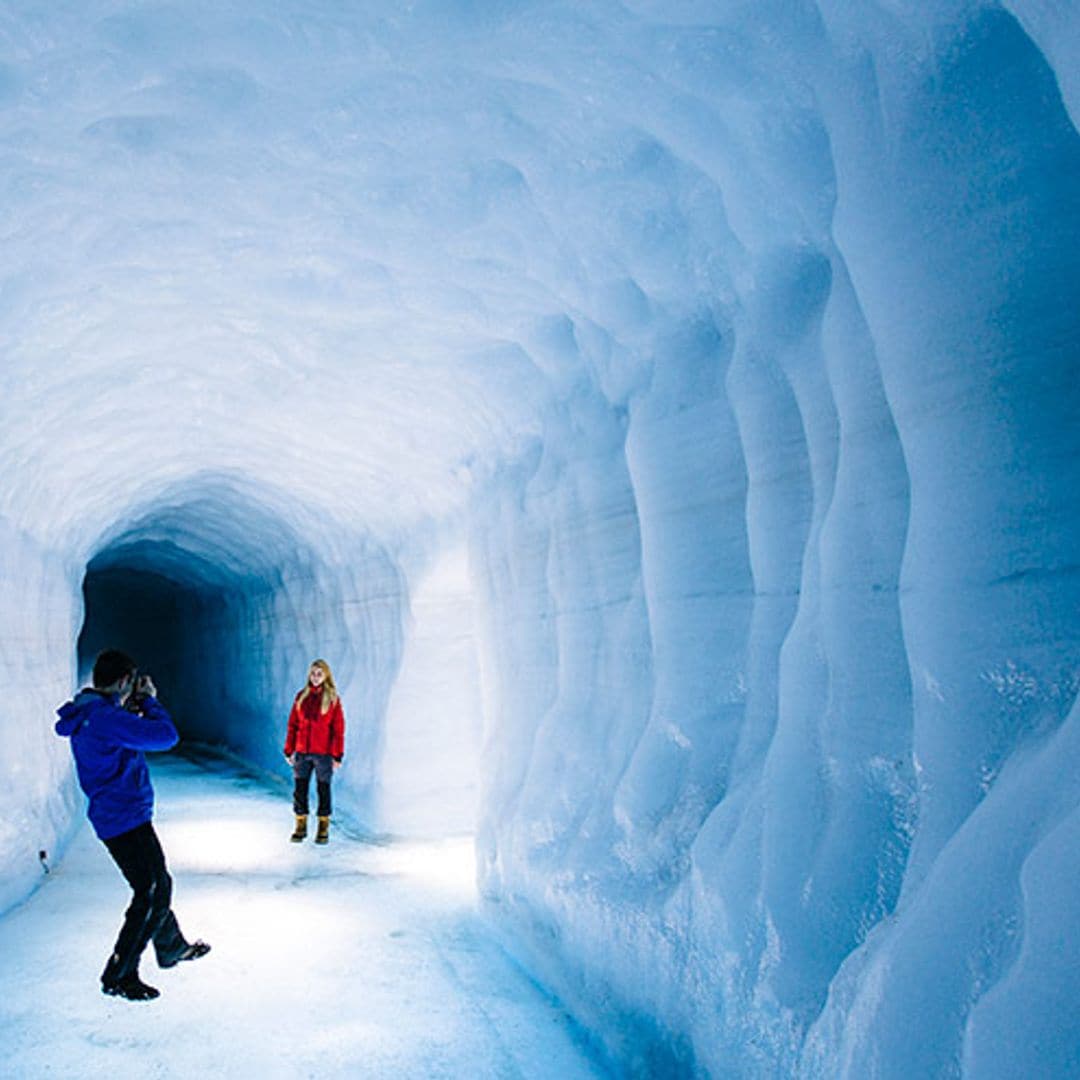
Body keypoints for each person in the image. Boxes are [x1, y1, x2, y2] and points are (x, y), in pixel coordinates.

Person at [55, 649, 210, 1002]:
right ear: (125, 680)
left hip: (117, 815)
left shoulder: (94, 714)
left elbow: (116, 735)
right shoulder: (106, 719)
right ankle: (119, 973)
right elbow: (166, 737)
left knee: (154, 883)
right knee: (152, 889)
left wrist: (127, 710)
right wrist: (151, 703)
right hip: (125, 817)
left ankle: (171, 946)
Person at [283, 659, 345, 845]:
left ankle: (323, 827)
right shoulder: (301, 697)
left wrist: (337, 755)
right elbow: (293, 725)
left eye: (319, 674)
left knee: (323, 790)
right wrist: (289, 750)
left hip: (323, 754)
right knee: (300, 790)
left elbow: (338, 730)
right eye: (313, 673)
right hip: (302, 753)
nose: (315, 677)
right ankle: (300, 826)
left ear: (326, 676)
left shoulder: (332, 699)